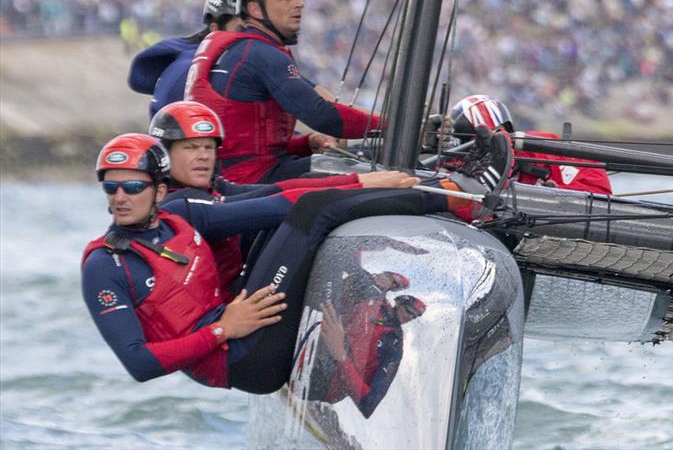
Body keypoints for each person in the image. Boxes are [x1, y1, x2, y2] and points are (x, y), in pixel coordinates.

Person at [82, 127, 513, 394]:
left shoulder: (182, 215)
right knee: (313, 214)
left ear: (158, 191)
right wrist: (222, 329)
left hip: (242, 328)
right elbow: (138, 364)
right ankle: (459, 198)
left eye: (133, 187)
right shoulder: (105, 265)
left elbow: (277, 200)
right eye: (112, 188)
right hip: (241, 360)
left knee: (298, 209)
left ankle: (435, 187)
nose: (121, 197)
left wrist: (362, 180)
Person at [148, 100, 417, 300]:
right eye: (190, 148)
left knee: (307, 195)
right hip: (228, 326)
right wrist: (359, 184)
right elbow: (272, 206)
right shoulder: (177, 207)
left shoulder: (212, 190)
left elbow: (275, 190)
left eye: (208, 147)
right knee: (307, 211)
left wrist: (358, 183)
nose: (204, 156)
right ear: (164, 155)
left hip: (237, 301)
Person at [185, 0, 382, 184]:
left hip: (246, 173)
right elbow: (323, 114)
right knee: (385, 171)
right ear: (255, 9)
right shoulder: (260, 54)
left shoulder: (249, 50)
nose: (300, 3)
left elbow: (249, 142)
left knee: (367, 160)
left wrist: (305, 143)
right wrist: (391, 127)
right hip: (251, 181)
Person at [446, 94, 613, 195]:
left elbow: (601, 195)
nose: (499, 136)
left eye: (501, 131)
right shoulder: (452, 165)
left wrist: (557, 192)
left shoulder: (537, 147)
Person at [128, 0, 241, 119]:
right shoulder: (186, 73)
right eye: (242, 29)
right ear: (215, 29)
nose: (254, 36)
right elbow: (173, 134)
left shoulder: (230, 62)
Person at [308, 296, 426, 419]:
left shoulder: (394, 347)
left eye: (414, 316)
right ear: (399, 303)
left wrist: (342, 356)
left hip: (324, 384)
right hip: (311, 348)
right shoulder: (371, 303)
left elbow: (369, 403)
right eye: (409, 311)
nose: (410, 317)